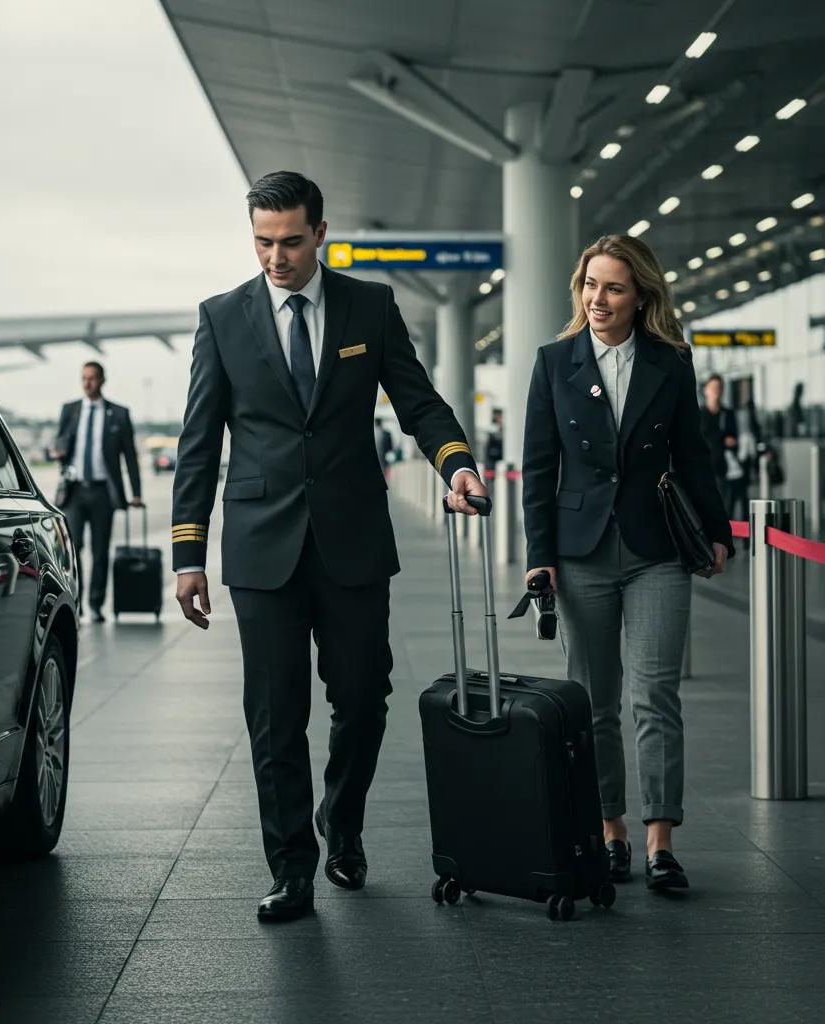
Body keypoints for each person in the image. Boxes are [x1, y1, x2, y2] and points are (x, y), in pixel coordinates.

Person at [172, 170, 486, 922]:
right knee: (275, 715)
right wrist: (188, 552)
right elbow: (197, 443)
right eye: (261, 242)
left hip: (350, 539)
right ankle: (292, 870)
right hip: (260, 546)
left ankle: (341, 822)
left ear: (320, 233)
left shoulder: (369, 307)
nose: (274, 257)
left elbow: (419, 403)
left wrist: (459, 462)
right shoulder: (222, 317)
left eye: (287, 241)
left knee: (363, 699)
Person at [522, 234, 732, 894]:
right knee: (593, 703)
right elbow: (537, 467)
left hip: (655, 551)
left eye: (613, 287)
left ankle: (660, 842)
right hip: (579, 551)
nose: (598, 298)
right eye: (590, 284)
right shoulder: (554, 361)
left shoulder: (670, 362)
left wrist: (718, 532)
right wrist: (538, 558)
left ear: (641, 295)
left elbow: (693, 455)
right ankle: (610, 831)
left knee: (655, 695)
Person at [55, 361, 142, 622]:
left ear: (102, 380)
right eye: (83, 378)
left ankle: (95, 604)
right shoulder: (70, 411)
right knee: (74, 547)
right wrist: (57, 453)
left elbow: (130, 456)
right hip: (75, 491)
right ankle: (76, 601)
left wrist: (135, 493)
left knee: (100, 550)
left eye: (92, 378)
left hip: (103, 492)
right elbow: (60, 444)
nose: (87, 383)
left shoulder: (118, 414)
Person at [699, 373, 742, 509]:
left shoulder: (727, 413)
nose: (716, 391)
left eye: (719, 387)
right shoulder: (699, 414)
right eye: (713, 387)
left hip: (724, 468)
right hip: (705, 467)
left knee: (725, 506)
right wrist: (723, 438)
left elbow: (734, 439)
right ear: (705, 390)